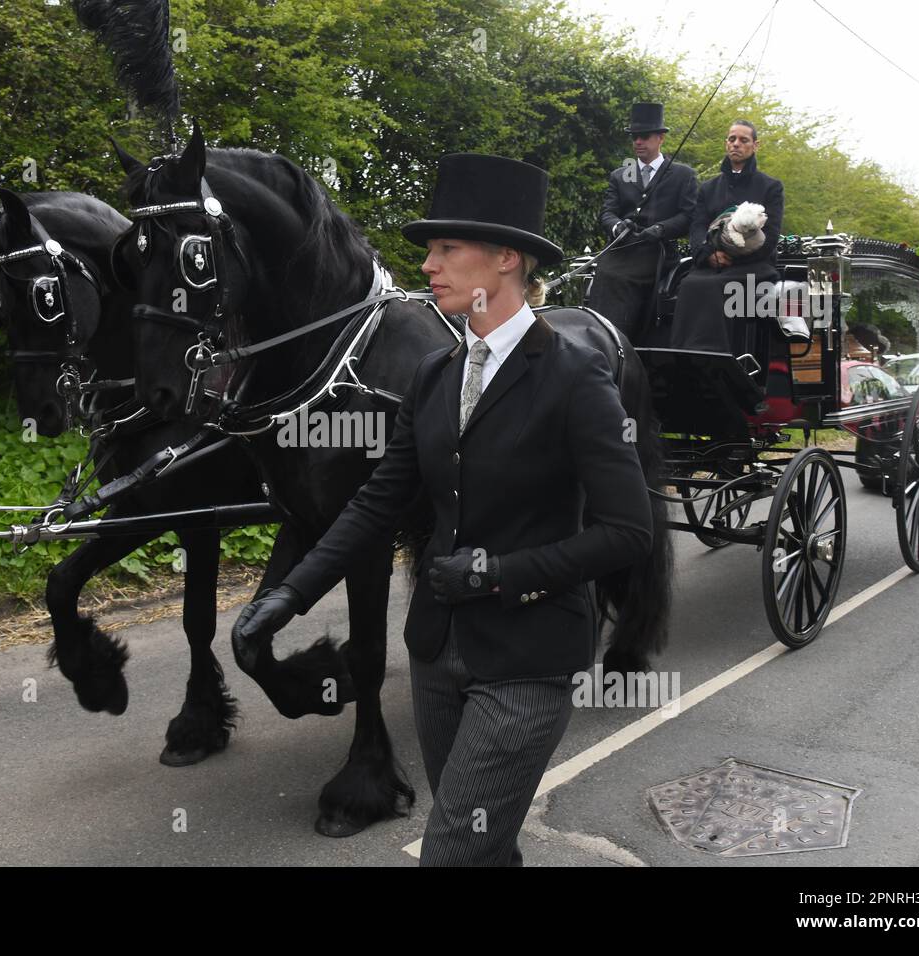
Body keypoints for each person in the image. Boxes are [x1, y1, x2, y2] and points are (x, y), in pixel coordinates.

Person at [230, 153, 654, 867]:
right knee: (487, 849)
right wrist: (285, 598)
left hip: (526, 661)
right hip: (434, 653)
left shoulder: (575, 377)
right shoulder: (434, 373)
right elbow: (373, 505)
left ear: (506, 258)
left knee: (451, 848)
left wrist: (499, 574)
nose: (427, 264)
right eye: (430, 248)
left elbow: (627, 532)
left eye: (446, 248)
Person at [670, 119, 784, 356]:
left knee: (713, 285)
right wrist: (707, 254)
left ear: (755, 145)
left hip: (754, 266)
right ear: (726, 144)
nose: (736, 144)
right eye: (732, 139)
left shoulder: (771, 187)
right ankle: (682, 356)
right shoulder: (709, 188)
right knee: (689, 283)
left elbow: (771, 236)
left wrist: (732, 256)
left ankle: (715, 357)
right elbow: (698, 225)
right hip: (712, 263)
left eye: (743, 140)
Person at [591, 102, 698, 343]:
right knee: (605, 273)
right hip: (623, 249)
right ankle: (603, 340)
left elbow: (688, 216)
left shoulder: (683, 175)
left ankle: (621, 342)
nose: (638, 142)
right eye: (634, 137)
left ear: (660, 138)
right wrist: (618, 226)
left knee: (620, 279)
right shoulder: (620, 175)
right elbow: (607, 213)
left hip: (656, 251)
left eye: (644, 136)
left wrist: (660, 229)